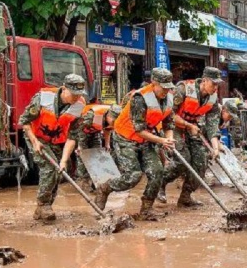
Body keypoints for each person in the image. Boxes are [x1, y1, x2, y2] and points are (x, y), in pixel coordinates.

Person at [96, 68, 175, 220]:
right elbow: (139, 130)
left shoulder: (169, 98)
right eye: (163, 87)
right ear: (154, 83)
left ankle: (146, 210)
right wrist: (161, 140)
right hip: (126, 137)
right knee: (133, 176)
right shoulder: (140, 98)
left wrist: (169, 139)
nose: (166, 90)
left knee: (157, 171)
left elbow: (168, 123)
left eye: (168, 87)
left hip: (146, 140)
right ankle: (105, 188)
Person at [20, 74, 88, 222]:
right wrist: (35, 142)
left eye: (80, 95)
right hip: (36, 136)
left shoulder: (79, 105)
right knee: (49, 168)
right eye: (74, 94)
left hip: (57, 140)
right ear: (64, 89)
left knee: (58, 171)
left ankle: (43, 208)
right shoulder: (43, 98)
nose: (77, 98)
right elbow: (24, 122)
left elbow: (72, 137)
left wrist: (64, 160)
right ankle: (44, 204)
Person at [163, 67, 223, 208]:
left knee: (201, 161)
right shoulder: (183, 89)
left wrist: (215, 147)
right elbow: (169, 115)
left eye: (217, 84)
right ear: (204, 80)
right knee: (183, 159)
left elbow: (212, 125)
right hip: (174, 126)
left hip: (193, 127)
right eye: (213, 84)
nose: (215, 88)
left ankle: (185, 197)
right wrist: (188, 125)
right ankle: (161, 183)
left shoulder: (213, 98)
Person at [74, 103, 118, 191]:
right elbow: (79, 129)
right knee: (83, 155)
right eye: (113, 121)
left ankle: (98, 183)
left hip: (95, 132)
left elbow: (108, 129)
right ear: (108, 115)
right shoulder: (92, 115)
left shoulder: (113, 119)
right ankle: (83, 181)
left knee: (98, 155)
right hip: (82, 132)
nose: (114, 123)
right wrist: (80, 146)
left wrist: (107, 144)